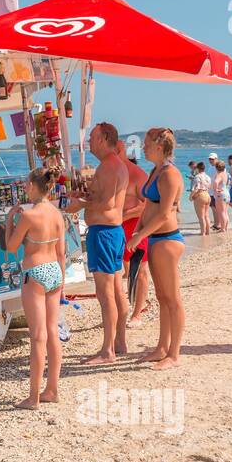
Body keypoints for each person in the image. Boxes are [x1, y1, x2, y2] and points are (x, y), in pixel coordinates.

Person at [62, 123, 130, 363]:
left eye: (92, 137)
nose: (89, 142)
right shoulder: (112, 166)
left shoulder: (110, 166)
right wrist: (84, 197)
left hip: (104, 233)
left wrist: (80, 205)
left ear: (103, 138)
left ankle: (107, 351)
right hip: (112, 231)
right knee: (115, 290)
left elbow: (108, 204)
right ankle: (119, 342)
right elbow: (103, 199)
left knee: (105, 294)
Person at [3, 169, 67, 409]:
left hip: (35, 273)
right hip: (54, 272)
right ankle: (52, 389)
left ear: (32, 185)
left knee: (38, 336)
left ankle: (33, 397)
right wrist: (61, 285)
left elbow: (11, 247)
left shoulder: (29, 216)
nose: (25, 189)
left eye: (26, 186)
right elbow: (61, 253)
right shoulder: (57, 214)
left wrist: (9, 220)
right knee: (52, 332)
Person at [125, 128, 186, 370]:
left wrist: (140, 234)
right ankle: (162, 347)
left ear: (159, 147)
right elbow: (147, 205)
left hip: (168, 239)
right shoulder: (156, 170)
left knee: (173, 298)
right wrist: (137, 232)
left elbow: (163, 213)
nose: (143, 148)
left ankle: (174, 354)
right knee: (162, 297)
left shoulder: (170, 174)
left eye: (147, 144)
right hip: (155, 239)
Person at [117, 141, 151, 326]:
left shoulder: (139, 177)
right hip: (118, 229)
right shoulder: (115, 176)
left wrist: (123, 215)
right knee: (128, 271)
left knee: (141, 270)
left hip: (136, 228)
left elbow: (147, 205)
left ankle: (137, 314)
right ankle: (132, 305)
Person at [189, 161, 212, 235]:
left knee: (201, 217)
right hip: (207, 195)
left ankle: (203, 233)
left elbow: (196, 188)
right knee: (206, 215)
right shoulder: (208, 177)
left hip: (200, 196)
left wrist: (191, 196)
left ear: (198, 169)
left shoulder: (197, 176)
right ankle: (208, 232)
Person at [211, 159, 229, 232]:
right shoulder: (225, 174)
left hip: (220, 194)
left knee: (221, 212)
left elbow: (215, 182)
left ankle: (222, 228)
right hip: (226, 192)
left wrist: (215, 190)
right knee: (225, 212)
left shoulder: (219, 175)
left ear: (216, 167)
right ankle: (225, 227)